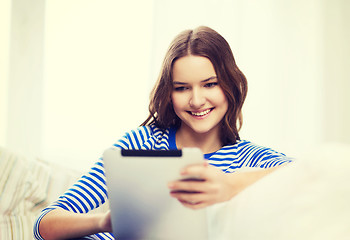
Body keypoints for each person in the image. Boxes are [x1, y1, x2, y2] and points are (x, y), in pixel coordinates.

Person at [33, 26, 293, 240]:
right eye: (182, 88)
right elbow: (43, 225)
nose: (196, 100)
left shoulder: (251, 159)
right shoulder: (138, 144)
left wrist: (228, 185)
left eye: (210, 84)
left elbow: (312, 174)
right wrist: (105, 221)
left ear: (230, 85)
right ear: (168, 93)